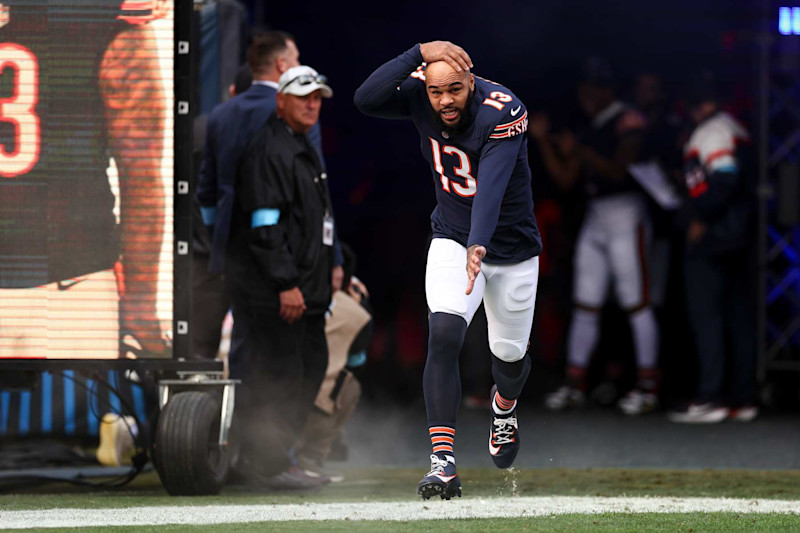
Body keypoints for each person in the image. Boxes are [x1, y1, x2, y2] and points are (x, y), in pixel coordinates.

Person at [355, 41, 542, 500]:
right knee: (443, 332)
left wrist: (480, 241)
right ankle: (443, 464)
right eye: (436, 92)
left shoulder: (503, 109)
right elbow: (365, 98)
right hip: (453, 238)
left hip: (510, 248)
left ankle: (505, 406)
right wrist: (416, 52)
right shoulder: (423, 90)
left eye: (454, 90)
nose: (444, 101)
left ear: (472, 83)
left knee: (510, 361)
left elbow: (492, 188)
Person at [0, 0, 171, 358]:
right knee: (81, 411)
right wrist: (140, 302)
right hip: (73, 282)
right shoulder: (106, 15)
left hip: (71, 273)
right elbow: (140, 173)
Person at [196, 32, 343, 377]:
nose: (312, 103)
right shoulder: (297, 110)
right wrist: (331, 256)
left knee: (242, 346)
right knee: (291, 359)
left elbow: (206, 194)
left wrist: (217, 237)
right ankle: (271, 428)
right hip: (289, 258)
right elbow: (316, 191)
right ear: (282, 65)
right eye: (296, 58)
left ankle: (242, 427)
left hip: (232, 255)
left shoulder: (220, 115)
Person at [532, 58, 661, 416]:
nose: (586, 94)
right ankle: (574, 384)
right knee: (585, 302)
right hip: (596, 217)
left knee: (636, 301)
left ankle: (648, 385)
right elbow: (565, 180)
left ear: (608, 89)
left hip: (625, 213)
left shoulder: (628, 119)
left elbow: (620, 170)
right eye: (583, 87)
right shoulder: (589, 125)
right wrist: (544, 142)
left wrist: (581, 152)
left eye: (594, 87)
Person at [229, 65, 336, 490]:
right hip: (279, 294)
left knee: (309, 368)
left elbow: (313, 221)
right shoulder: (270, 149)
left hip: (304, 289)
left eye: (318, 96)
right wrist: (285, 283)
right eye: (303, 95)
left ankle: (268, 461)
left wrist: (335, 266)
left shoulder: (299, 143)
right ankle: (264, 464)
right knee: (281, 377)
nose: (312, 103)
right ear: (280, 100)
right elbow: (263, 225)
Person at [668, 71, 757, 424]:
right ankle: (743, 398)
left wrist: (702, 218)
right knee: (738, 317)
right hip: (739, 238)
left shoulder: (712, 131)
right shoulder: (735, 127)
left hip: (715, 240)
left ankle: (711, 398)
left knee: (708, 318)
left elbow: (725, 178)